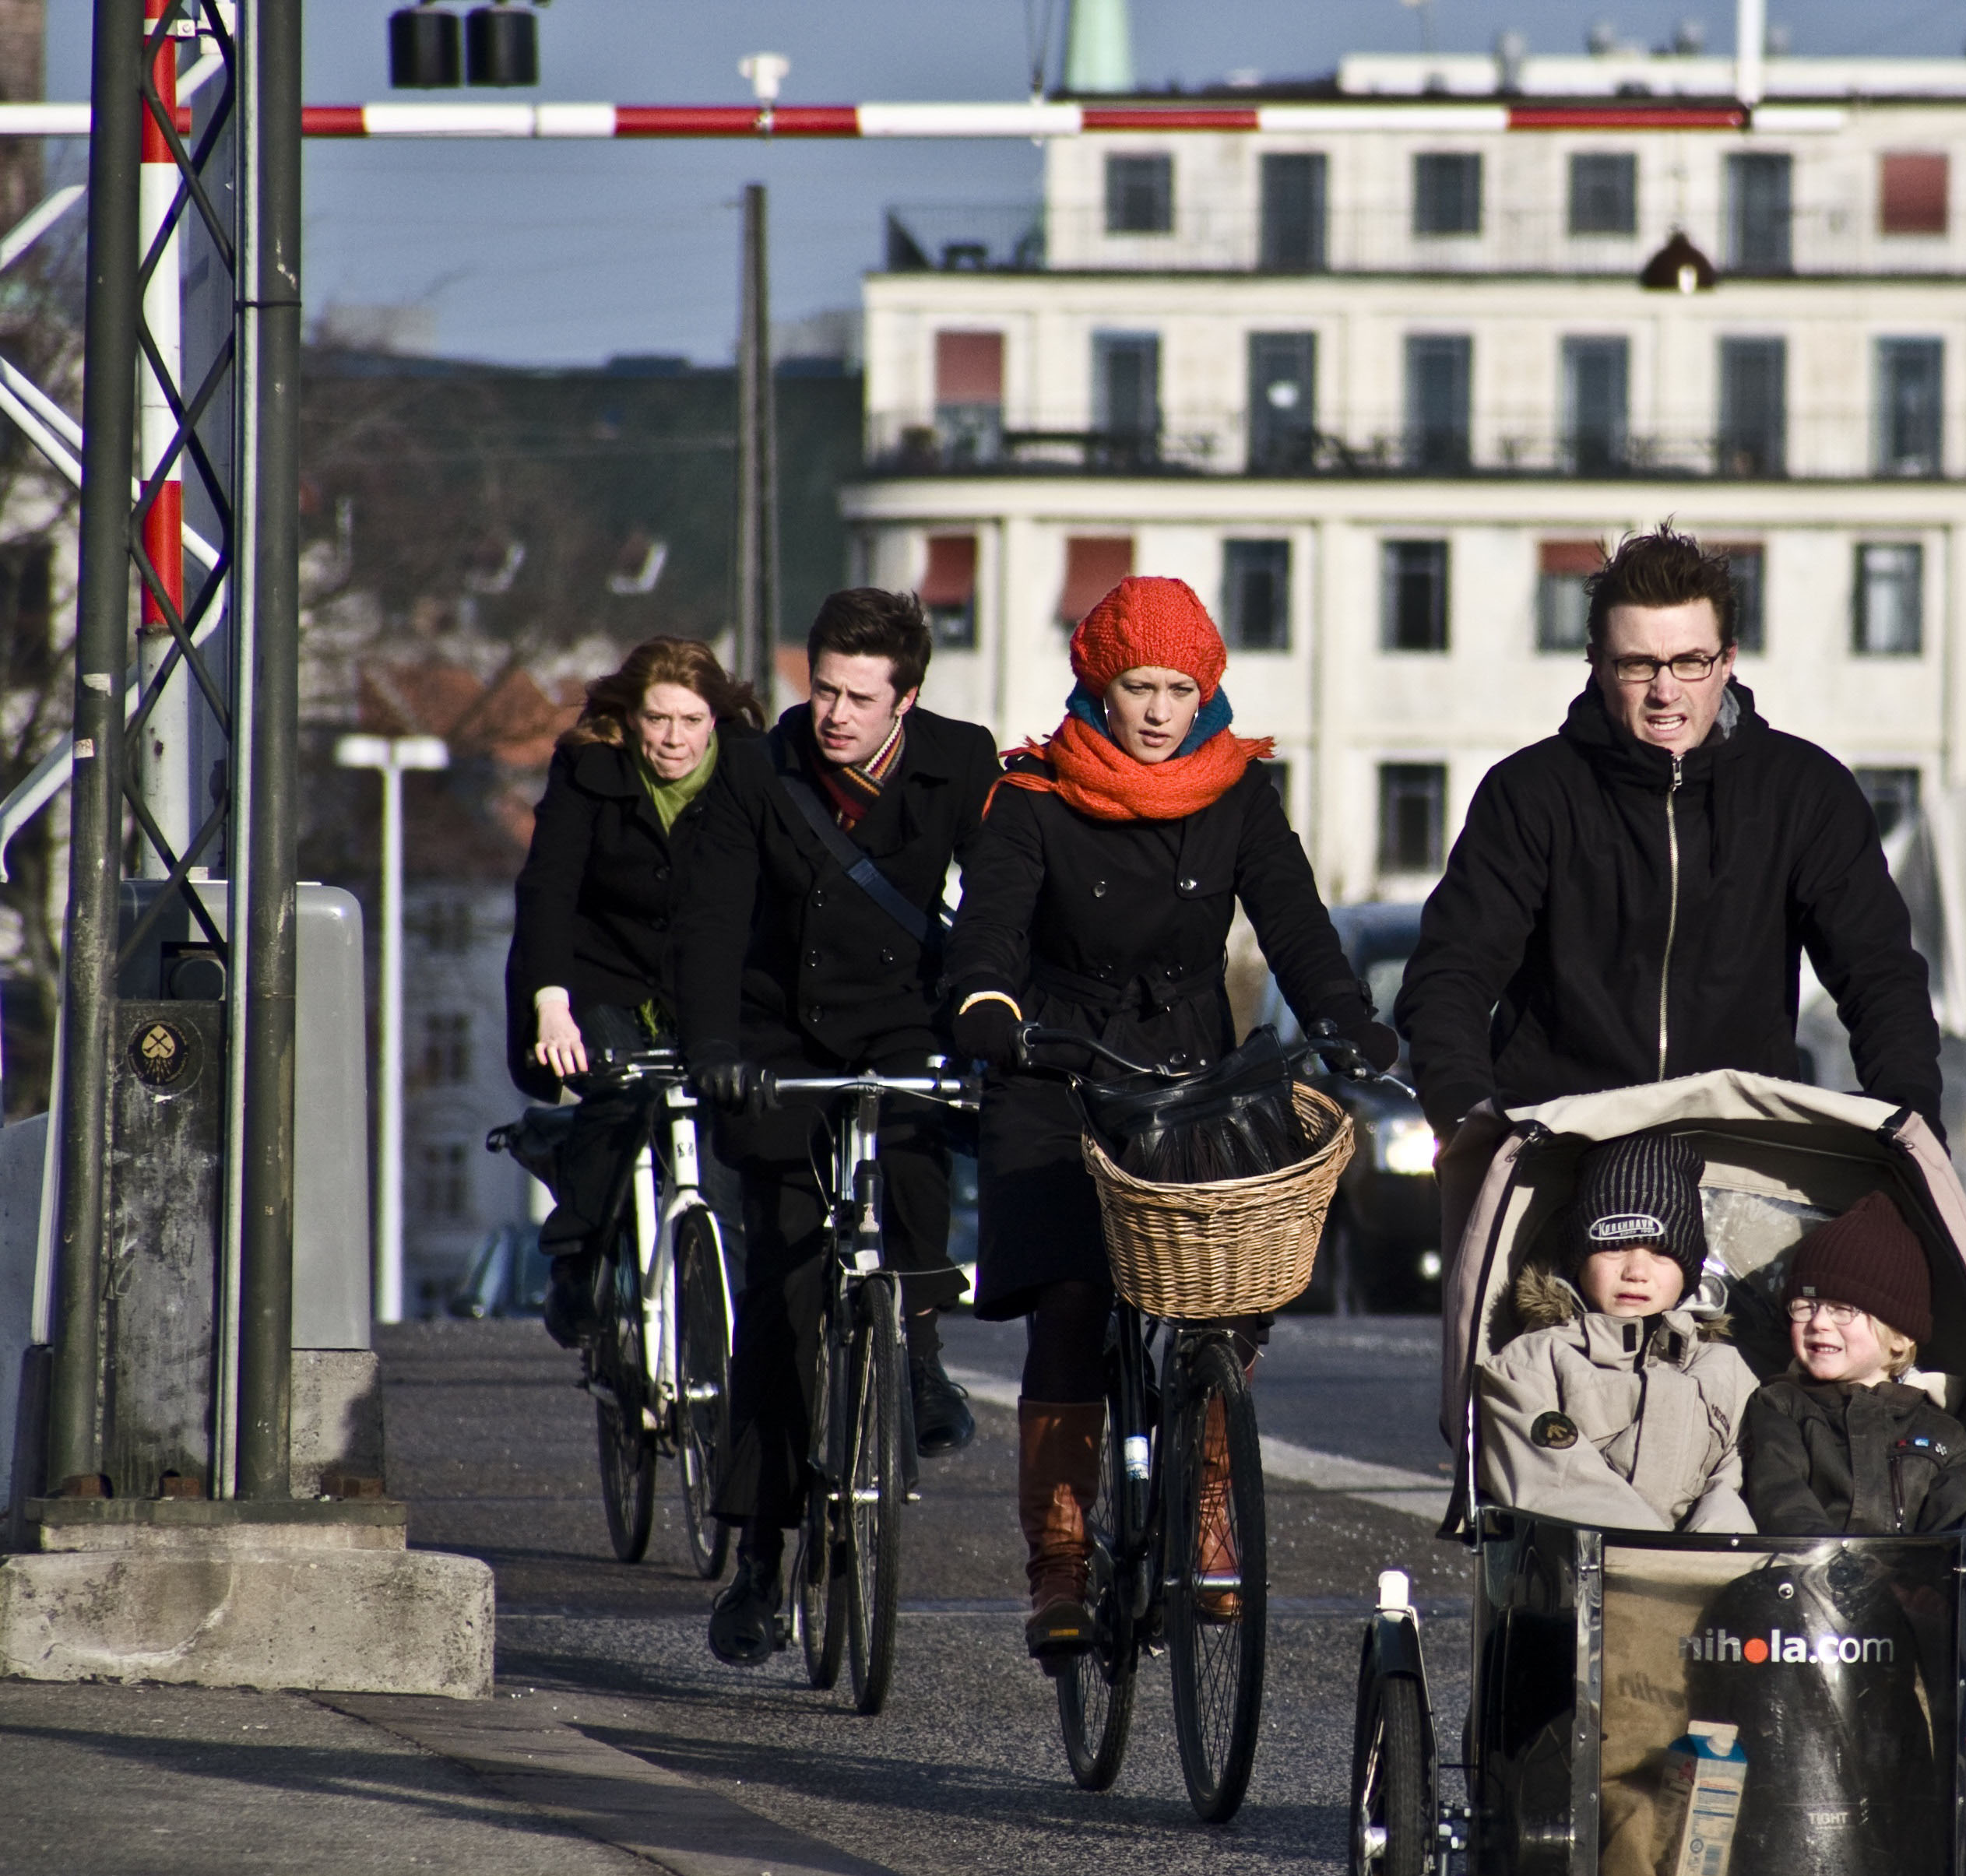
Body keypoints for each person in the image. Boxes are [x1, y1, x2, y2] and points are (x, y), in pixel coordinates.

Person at [942, 575, 1397, 1660]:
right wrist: (987, 1005)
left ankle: (1205, 1508)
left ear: (1209, 693)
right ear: (1098, 685)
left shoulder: (1238, 793)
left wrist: (1348, 1021)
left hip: (1188, 1072)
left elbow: (1294, 921)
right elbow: (991, 932)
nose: (1156, 710)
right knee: (1068, 1297)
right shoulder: (1034, 796)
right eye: (1137, 686)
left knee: (1223, 1303)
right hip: (1055, 1065)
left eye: (1178, 688)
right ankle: (1058, 1558)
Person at [676, 588, 1001, 1666]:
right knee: (780, 1288)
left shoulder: (961, 763)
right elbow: (714, 918)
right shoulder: (757, 771)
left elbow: (997, 902)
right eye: (823, 689)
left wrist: (997, 1012)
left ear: (907, 698)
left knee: (915, 1176)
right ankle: (761, 1562)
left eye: (861, 698)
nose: (836, 715)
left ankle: (916, 1353)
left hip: (901, 1023)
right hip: (778, 1044)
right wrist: (713, 1049)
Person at [1396, 526, 1943, 1141]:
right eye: (1637, 664)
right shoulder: (1529, 794)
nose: (1665, 690)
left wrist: (1910, 1121)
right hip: (1557, 1154)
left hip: (1741, 1152)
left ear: (1728, 660)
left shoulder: (1805, 793)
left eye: (1690, 661)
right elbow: (1452, 977)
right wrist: (1471, 1121)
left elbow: (1879, 976)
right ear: (1598, 665)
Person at [505, 637, 763, 1345]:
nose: (673, 739)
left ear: (718, 719)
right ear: (631, 717)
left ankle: (726, 1322)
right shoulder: (591, 768)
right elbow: (550, 890)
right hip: (601, 975)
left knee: (724, 1133)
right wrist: (551, 1004)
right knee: (619, 1095)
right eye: (657, 720)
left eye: (690, 720)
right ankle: (577, 1264)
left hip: (704, 984)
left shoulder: (750, 773)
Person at [1474, 1133, 1755, 1533]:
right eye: (1614, 1248)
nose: (1636, 1272)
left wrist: (1710, 1563)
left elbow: (1732, 1484)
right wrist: (1655, 1563)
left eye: (1660, 1253)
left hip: (1698, 1579)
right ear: (1578, 1261)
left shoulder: (1725, 1370)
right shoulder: (1531, 1365)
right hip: (1583, 1578)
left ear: (1690, 1271)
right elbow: (1556, 1482)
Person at [1739, 1191, 1966, 1537]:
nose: (1819, 1322)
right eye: (1805, 1305)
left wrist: (1913, 1583)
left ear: (1900, 1336)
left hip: (1905, 1585)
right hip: (1800, 1581)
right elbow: (1780, 1499)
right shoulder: (1781, 1407)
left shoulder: (1944, 1434)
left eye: (1841, 1309)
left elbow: (1948, 1529)